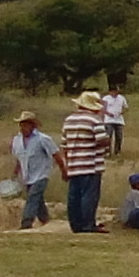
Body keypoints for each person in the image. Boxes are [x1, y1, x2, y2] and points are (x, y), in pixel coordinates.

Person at [57, 93, 115, 232]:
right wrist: (107, 141)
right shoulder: (94, 120)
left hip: (74, 164)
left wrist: (68, 163)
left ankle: (75, 225)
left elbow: (64, 145)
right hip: (90, 164)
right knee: (89, 196)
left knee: (74, 197)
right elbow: (102, 140)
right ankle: (88, 224)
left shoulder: (69, 120)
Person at [11, 111, 56, 229]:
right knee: (37, 198)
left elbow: (55, 154)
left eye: (26, 125)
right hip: (28, 175)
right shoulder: (17, 140)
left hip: (41, 174)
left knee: (32, 196)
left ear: (33, 125)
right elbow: (19, 158)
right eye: (21, 125)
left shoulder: (43, 139)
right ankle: (45, 219)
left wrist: (63, 169)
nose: (22, 128)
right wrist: (15, 172)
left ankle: (26, 221)